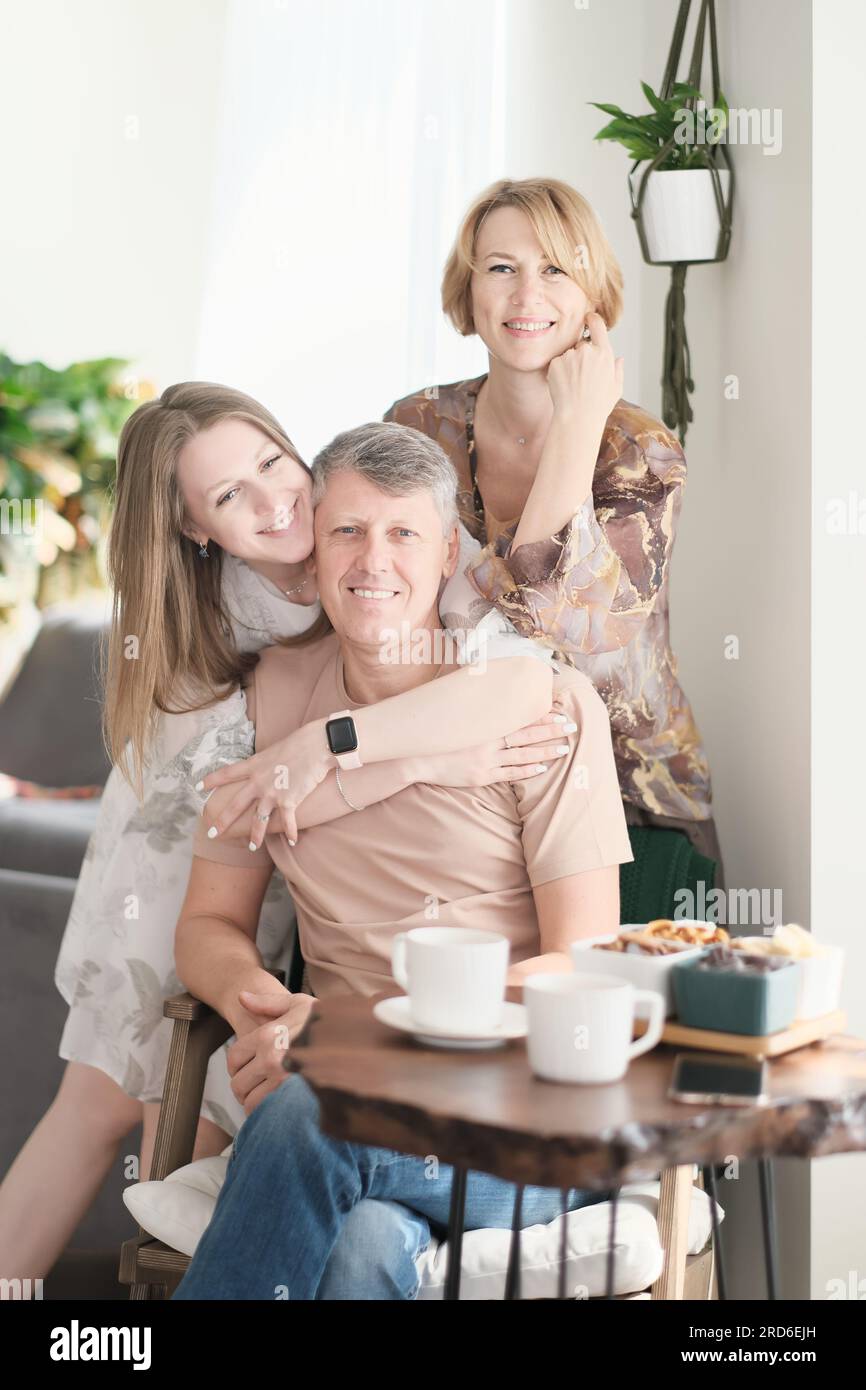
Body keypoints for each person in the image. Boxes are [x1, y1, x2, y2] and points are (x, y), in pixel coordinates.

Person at [0, 385, 571, 1285]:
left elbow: (526, 683)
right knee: (109, 1092)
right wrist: (425, 761)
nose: (273, 501)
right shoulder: (226, 614)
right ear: (198, 531)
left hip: (285, 838)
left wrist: (336, 746)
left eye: (272, 462)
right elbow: (254, 801)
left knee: (215, 1111)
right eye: (228, 497)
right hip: (182, 831)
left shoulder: (383, 536)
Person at [171, 419, 634, 1299]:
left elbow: (582, 965)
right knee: (363, 1248)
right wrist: (258, 1003)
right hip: (354, 1118)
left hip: (523, 1117)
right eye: (346, 529)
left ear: (448, 550)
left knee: (316, 1109)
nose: (371, 560)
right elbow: (208, 924)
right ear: (312, 553)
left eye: (403, 533)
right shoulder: (265, 706)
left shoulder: (546, 713)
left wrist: (355, 1031)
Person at [383, 175, 724, 880]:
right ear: (468, 290)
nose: (526, 296)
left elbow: (563, 626)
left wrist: (575, 423)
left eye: (556, 271)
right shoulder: (417, 427)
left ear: (592, 303)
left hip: (628, 795)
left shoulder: (641, 452)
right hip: (460, 768)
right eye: (501, 268)